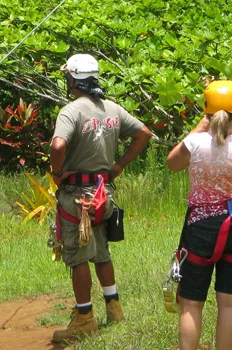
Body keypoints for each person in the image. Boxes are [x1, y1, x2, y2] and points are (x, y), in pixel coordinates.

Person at [49, 53, 152, 343]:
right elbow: (143, 133)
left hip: (76, 197)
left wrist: (57, 173)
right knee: (101, 251)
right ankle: (114, 308)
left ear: (72, 80)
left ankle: (84, 319)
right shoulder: (112, 109)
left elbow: (58, 145)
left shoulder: (71, 111)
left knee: (78, 255)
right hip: (102, 194)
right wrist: (118, 165)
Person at [165, 80, 232, 350]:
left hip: (202, 223)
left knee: (191, 301)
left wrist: (196, 129)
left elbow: (172, 163)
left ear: (207, 111)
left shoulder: (196, 142)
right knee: (229, 300)